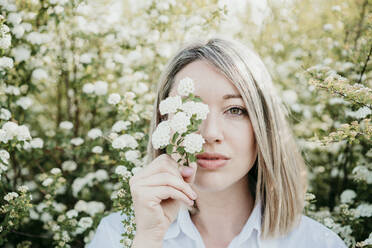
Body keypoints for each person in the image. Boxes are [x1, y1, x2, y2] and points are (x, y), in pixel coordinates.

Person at [88, 38, 347, 248]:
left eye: (235, 110)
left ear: (263, 126)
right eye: (191, 109)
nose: (210, 133)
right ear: (163, 122)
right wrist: (148, 240)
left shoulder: (316, 242)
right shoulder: (119, 236)